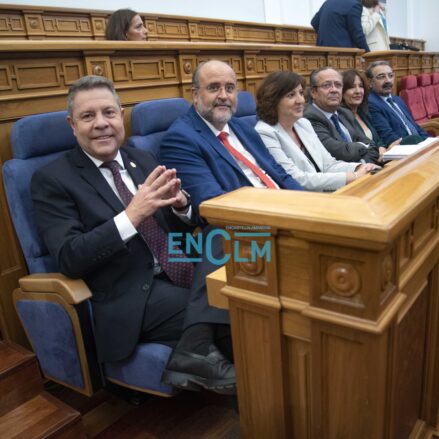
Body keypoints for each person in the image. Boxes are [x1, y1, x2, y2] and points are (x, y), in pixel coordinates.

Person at [30, 75, 235, 395]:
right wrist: (131, 216)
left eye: (109, 113)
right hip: (127, 288)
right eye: (88, 116)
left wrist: (182, 207)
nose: (101, 124)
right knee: (237, 311)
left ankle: (194, 346)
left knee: (221, 235)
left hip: (178, 264)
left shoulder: (142, 159)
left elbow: (176, 230)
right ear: (72, 124)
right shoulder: (51, 180)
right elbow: (70, 257)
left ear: (120, 115)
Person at [160, 60, 303, 213]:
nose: (223, 96)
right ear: (195, 95)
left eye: (230, 88)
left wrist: (309, 202)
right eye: (213, 88)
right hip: (250, 222)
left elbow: (279, 173)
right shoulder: (180, 140)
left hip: (288, 205)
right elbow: (214, 203)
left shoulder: (242, 127)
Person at [255, 71, 378, 192]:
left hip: (324, 194)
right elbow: (296, 178)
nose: (300, 100)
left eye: (301, 93)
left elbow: (328, 165)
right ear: (272, 100)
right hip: (299, 201)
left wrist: (360, 167)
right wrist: (354, 176)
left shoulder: (303, 124)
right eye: (291, 95)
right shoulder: (265, 132)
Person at [303, 67, 381, 164]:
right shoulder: (309, 117)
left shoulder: (345, 113)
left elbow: (372, 146)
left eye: (338, 85)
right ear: (313, 93)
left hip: (362, 172)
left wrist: (363, 164)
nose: (334, 90)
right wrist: (363, 146)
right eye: (327, 85)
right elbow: (340, 152)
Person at [366, 60, 430, 145]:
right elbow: (388, 136)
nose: (388, 80)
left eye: (390, 76)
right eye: (381, 77)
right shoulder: (371, 103)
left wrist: (428, 142)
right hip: (402, 149)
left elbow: (415, 126)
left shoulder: (397, 99)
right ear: (370, 82)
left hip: (418, 145)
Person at [341, 69, 401, 153]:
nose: (358, 91)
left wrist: (382, 147)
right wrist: (379, 152)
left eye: (361, 86)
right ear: (342, 92)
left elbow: (378, 140)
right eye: (352, 87)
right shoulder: (341, 118)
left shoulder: (363, 113)